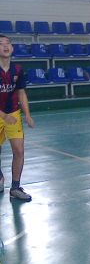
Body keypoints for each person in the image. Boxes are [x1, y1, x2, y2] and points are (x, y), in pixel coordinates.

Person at [0, 35, 34, 202]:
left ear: (12, 48)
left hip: (13, 113)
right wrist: (3, 115)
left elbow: (21, 92)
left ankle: (15, 188)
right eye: (1, 44)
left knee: (19, 151)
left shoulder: (18, 69)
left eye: (8, 43)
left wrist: (27, 114)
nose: (5, 46)